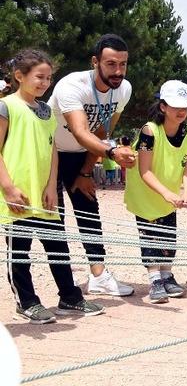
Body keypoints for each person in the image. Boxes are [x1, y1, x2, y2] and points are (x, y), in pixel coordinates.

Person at [1, 50, 104, 324]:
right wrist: (9, 188)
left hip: (44, 192)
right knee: (19, 249)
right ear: (19, 76)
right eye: (39, 77)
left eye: (49, 78)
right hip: (17, 192)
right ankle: (27, 302)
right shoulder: (6, 106)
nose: (45, 83)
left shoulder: (47, 111)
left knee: (57, 245)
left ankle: (69, 297)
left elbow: (53, 150)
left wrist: (51, 186)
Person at [48, 34, 137, 297]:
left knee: (89, 213)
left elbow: (102, 128)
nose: (118, 71)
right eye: (111, 64)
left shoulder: (124, 89)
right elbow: (79, 130)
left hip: (82, 154)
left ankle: (98, 277)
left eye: (123, 64)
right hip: (50, 152)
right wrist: (112, 152)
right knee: (55, 219)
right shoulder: (72, 86)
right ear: (95, 62)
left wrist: (87, 170)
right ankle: (66, 290)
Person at [124, 80, 187, 304]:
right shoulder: (149, 131)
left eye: (184, 106)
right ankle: (155, 279)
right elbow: (144, 170)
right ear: (163, 106)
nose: (181, 111)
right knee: (150, 237)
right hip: (147, 194)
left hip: (170, 196)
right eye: (175, 106)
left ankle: (167, 275)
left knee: (169, 236)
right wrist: (166, 193)